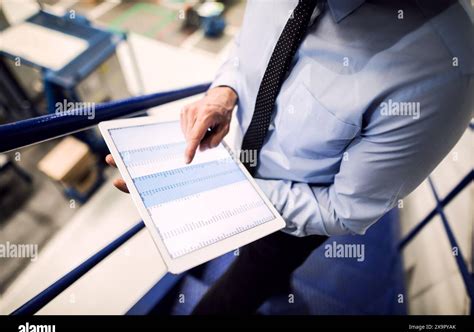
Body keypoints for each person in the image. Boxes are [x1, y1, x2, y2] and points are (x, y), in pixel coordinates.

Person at [106, 0, 473, 314]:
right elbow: (249, 46)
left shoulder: (447, 66)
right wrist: (224, 91)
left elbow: (344, 209)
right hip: (237, 158)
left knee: (236, 292)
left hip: (293, 221)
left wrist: (224, 192)